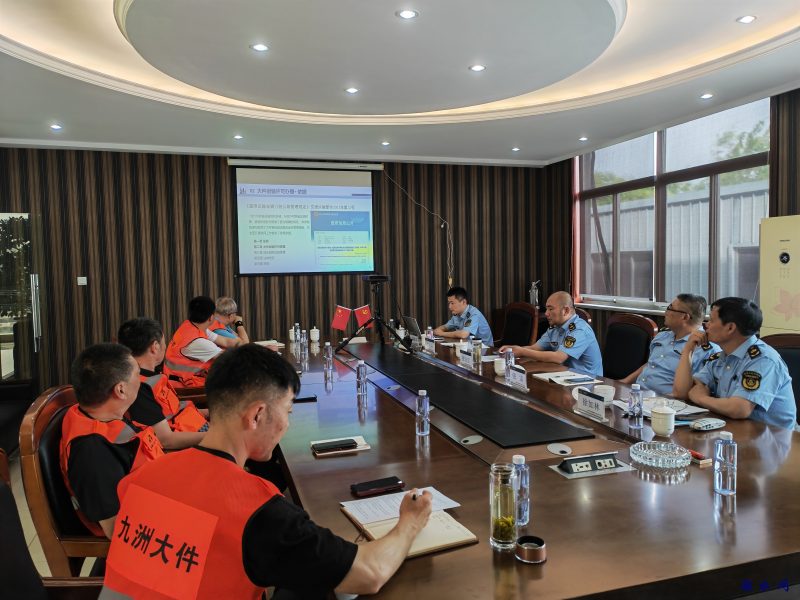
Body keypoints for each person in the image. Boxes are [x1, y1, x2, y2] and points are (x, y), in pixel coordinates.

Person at [101, 344, 433, 599]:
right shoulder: (257, 510)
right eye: (288, 410)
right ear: (257, 415)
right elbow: (371, 573)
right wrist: (410, 522)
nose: (287, 424)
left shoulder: (141, 478)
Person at [60, 343, 163, 538]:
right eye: (137, 373)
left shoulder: (102, 415)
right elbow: (117, 530)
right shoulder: (92, 452)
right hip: (151, 528)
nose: (141, 379)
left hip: (158, 494)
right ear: (121, 390)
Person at [673, 297, 796, 430]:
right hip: (734, 429)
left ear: (730, 328)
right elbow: (683, 392)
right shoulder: (721, 357)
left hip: (775, 437)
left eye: (712, 320)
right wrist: (688, 350)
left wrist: (701, 398)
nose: (706, 325)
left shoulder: (763, 360)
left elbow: (740, 409)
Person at [118, 317, 209, 449]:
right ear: (155, 347)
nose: (166, 346)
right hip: (187, 447)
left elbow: (175, 412)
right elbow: (166, 440)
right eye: (164, 342)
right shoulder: (139, 387)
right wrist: (217, 436)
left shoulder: (152, 377)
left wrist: (217, 412)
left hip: (198, 429)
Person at [620, 293, 718, 396]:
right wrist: (623, 382)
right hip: (638, 393)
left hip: (667, 401)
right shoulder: (662, 336)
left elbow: (697, 390)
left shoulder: (707, 350)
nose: (665, 312)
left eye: (670, 308)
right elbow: (651, 364)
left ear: (685, 317)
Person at [499, 291, 602, 377]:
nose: (546, 313)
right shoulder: (555, 327)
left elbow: (559, 358)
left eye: (551, 309)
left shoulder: (579, 329)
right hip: (564, 375)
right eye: (546, 309)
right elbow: (535, 348)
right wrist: (513, 349)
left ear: (565, 310)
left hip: (587, 382)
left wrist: (522, 352)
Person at [163, 296, 236, 388]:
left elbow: (225, 341)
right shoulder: (198, 342)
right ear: (211, 317)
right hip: (184, 388)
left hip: (175, 381)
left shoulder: (190, 326)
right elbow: (231, 359)